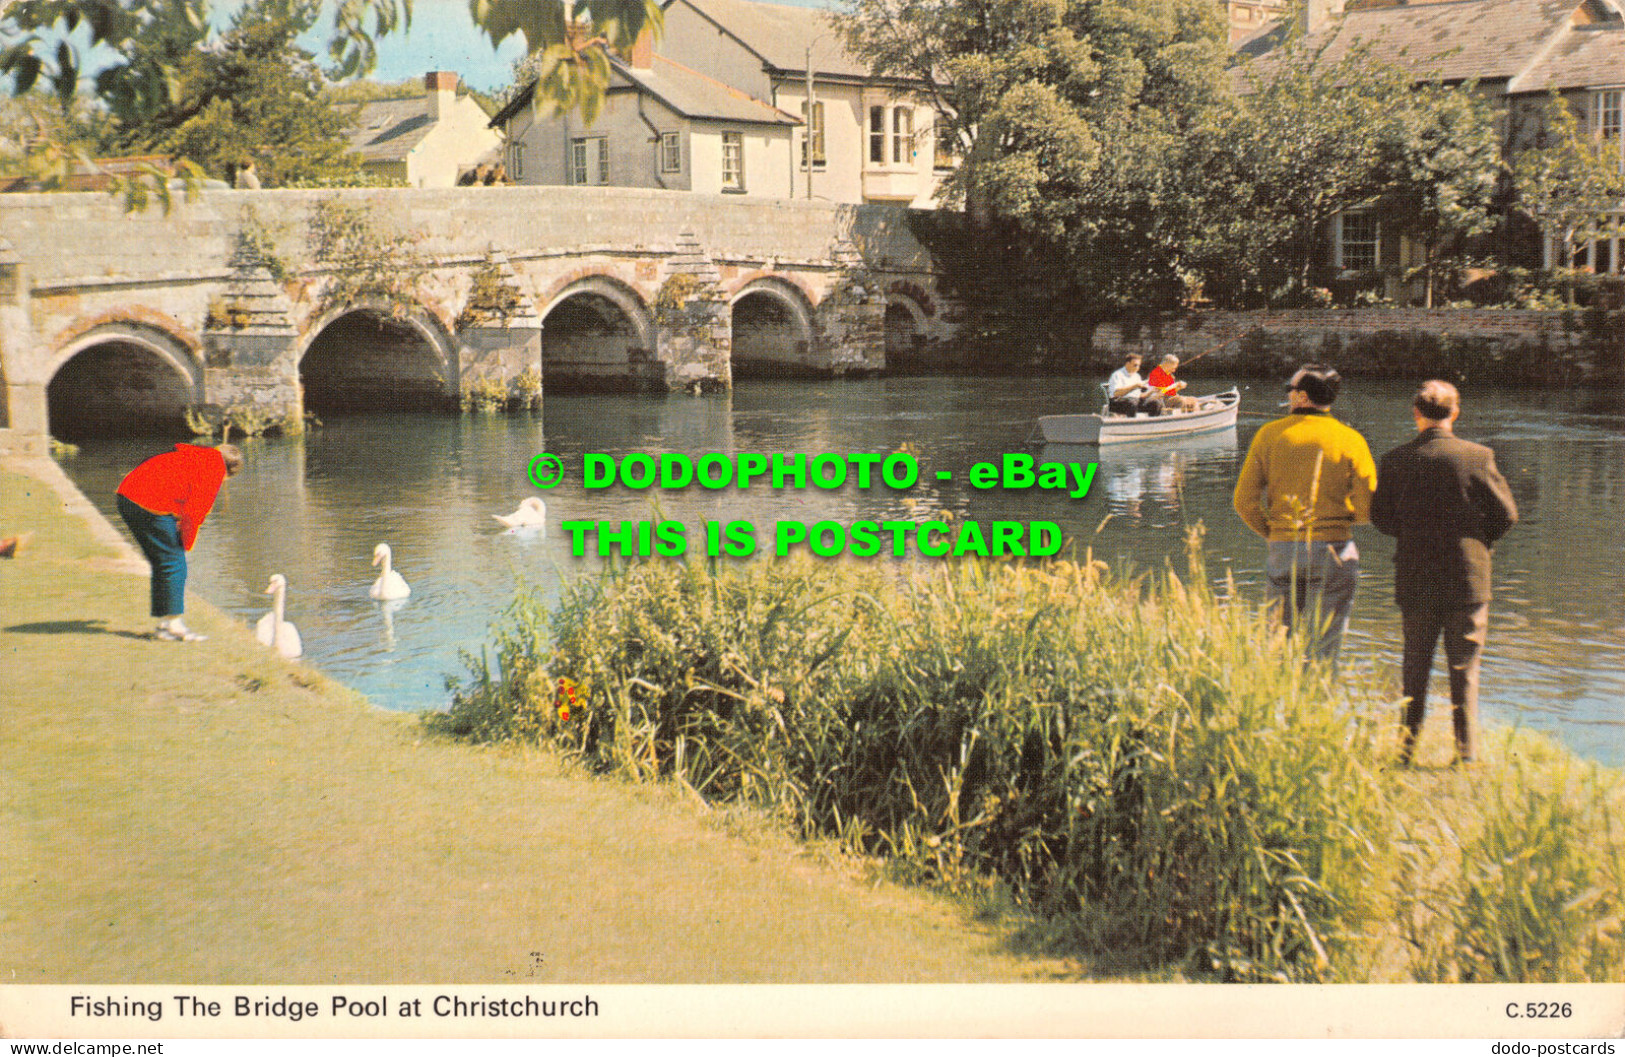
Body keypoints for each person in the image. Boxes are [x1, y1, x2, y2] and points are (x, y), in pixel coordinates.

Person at [1371, 380, 1517, 766]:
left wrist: (1412, 535)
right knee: (1464, 669)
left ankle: (1404, 753)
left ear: (1415, 413)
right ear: (1455, 413)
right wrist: (1479, 543)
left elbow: (1381, 518)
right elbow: (1507, 514)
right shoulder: (1478, 456)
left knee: (1414, 665)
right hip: (1468, 576)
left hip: (1416, 574)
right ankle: (1465, 757)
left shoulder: (1395, 459)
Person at [1233, 364, 1377, 666]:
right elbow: (1368, 507)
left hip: (1283, 548)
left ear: (1301, 397)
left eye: (1290, 390)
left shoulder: (1268, 435)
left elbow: (1244, 502)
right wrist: (1343, 520)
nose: (1287, 396)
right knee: (1325, 649)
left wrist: (1275, 533)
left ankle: (1280, 708)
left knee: (1277, 646)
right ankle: (1317, 708)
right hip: (1335, 550)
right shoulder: (1351, 439)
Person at [116, 442, 244, 641]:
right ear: (228, 474)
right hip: (144, 500)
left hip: (127, 493)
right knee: (175, 562)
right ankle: (174, 626)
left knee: (164, 561)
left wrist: (177, 523)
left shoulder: (200, 456)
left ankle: (164, 624)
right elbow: (194, 515)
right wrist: (186, 544)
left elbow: (180, 489)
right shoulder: (214, 471)